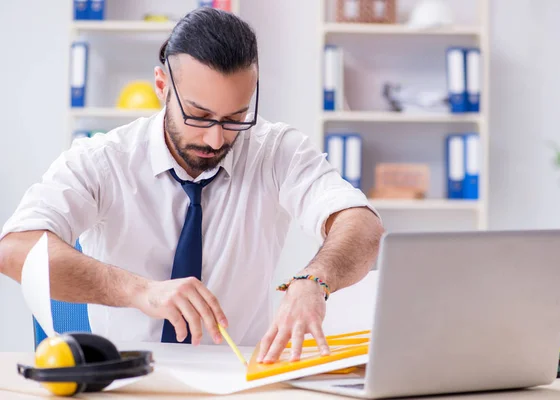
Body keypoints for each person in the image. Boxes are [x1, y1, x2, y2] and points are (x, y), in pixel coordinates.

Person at [0, 7, 383, 363]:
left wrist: (313, 281)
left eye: (235, 118)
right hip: (131, 381)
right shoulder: (103, 159)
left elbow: (363, 225)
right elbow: (15, 248)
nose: (217, 140)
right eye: (199, 116)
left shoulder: (275, 150)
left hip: (238, 378)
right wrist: (139, 291)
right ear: (161, 86)